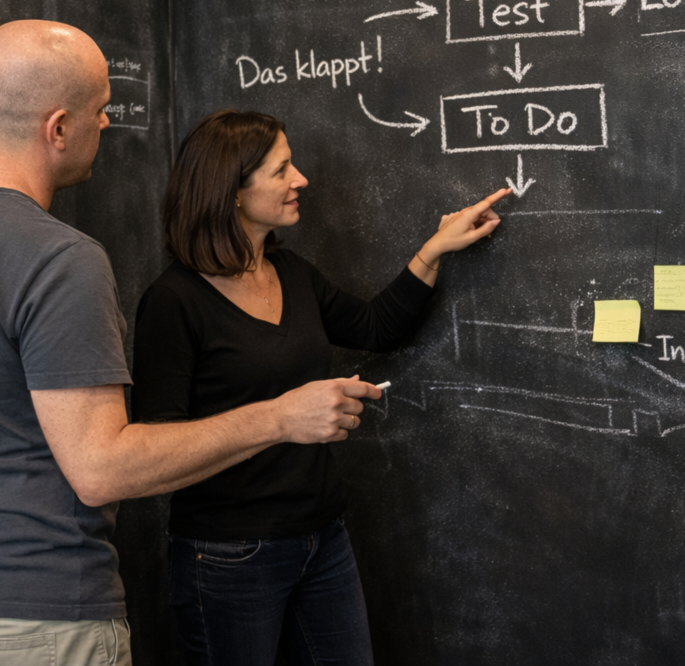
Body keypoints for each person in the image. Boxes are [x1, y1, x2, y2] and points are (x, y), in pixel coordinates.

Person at [0, 21, 385, 666]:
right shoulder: (59, 259)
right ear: (58, 127)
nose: (107, 125)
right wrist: (280, 417)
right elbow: (103, 469)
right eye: (100, 111)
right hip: (25, 623)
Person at [129, 109, 509, 666]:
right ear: (232, 189)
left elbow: (375, 327)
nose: (300, 179)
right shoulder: (173, 302)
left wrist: (434, 249)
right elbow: (156, 447)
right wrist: (279, 416)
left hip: (322, 538)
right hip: (230, 555)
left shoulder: (291, 272)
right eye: (282, 169)